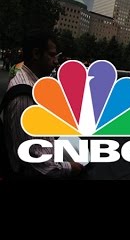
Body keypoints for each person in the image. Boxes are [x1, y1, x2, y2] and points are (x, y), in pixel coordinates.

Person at [2, 30, 84, 178]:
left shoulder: (27, 81)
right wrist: (70, 167)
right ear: (36, 54)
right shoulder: (25, 97)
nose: (56, 61)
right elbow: (34, 162)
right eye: (52, 55)